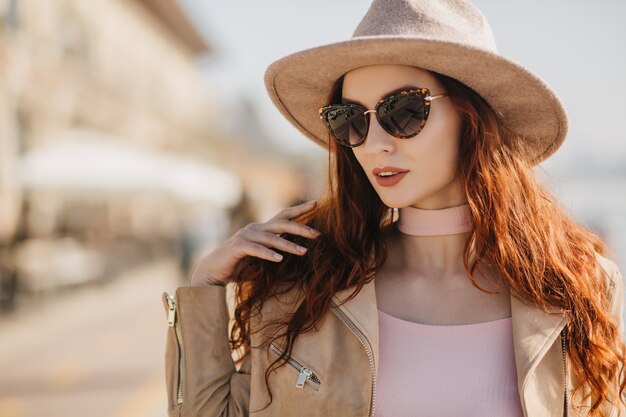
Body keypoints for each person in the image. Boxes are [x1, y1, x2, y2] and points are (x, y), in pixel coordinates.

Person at [162, 1, 625, 416]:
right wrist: (204, 286)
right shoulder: (303, 287)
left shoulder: (577, 287)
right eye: (351, 120)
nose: (375, 144)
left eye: (402, 111)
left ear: (470, 117)